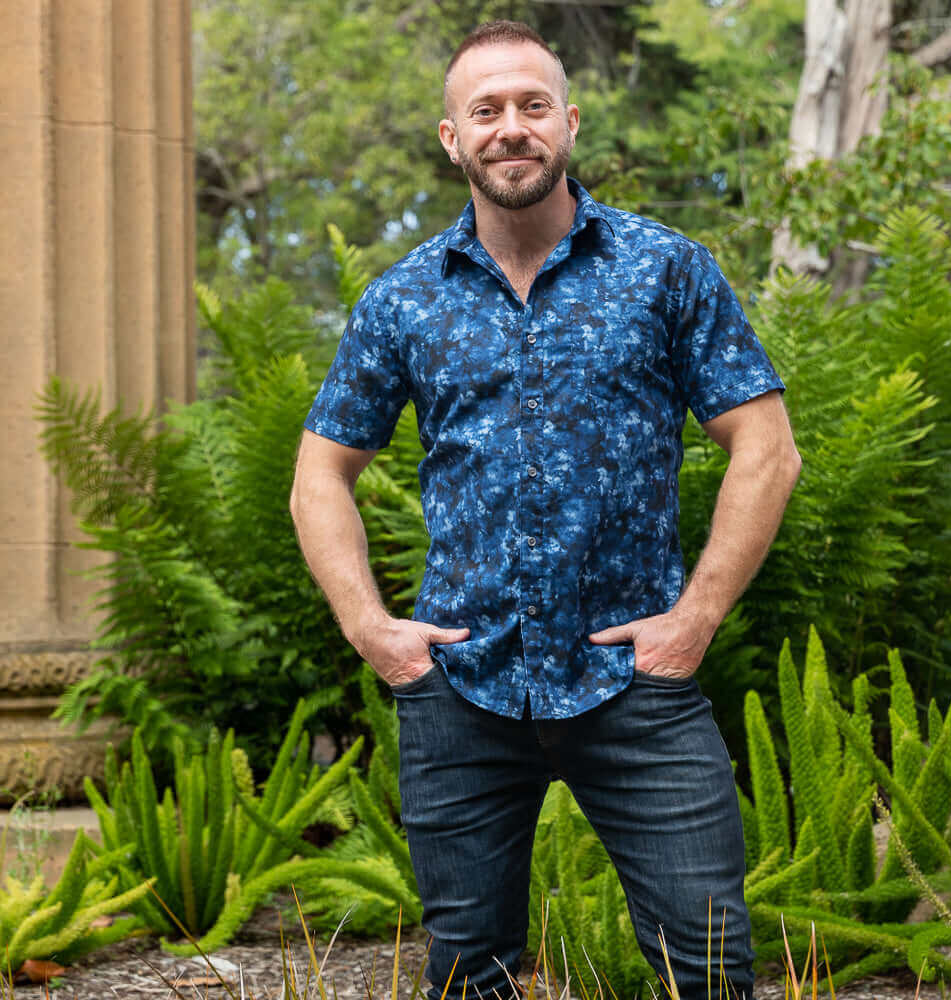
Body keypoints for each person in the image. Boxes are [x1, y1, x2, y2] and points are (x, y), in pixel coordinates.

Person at [290, 20, 801, 1000]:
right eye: (486, 110)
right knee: (465, 975)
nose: (510, 128)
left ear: (567, 121)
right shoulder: (403, 302)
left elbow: (765, 448)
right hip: (460, 692)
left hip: (636, 685)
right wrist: (373, 630)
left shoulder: (666, 270)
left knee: (710, 968)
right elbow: (321, 475)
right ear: (452, 138)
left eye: (531, 106)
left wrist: (693, 621)